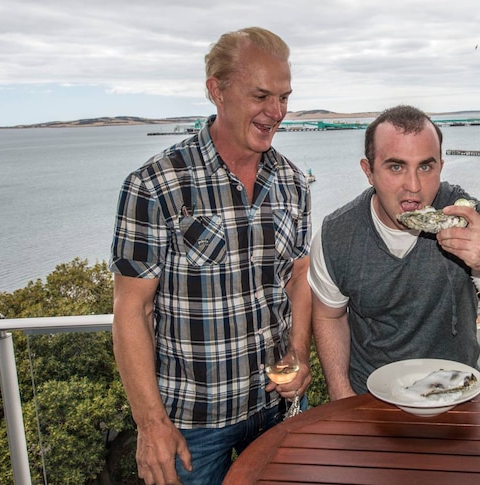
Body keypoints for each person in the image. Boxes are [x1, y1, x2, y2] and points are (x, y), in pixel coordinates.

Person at [110, 27, 312, 485]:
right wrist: (151, 425)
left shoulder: (293, 183)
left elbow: (299, 277)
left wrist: (299, 353)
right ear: (216, 90)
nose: (276, 112)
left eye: (284, 97)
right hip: (194, 425)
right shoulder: (154, 185)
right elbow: (131, 310)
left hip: (277, 409)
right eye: (261, 95)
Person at [309, 105, 480, 400]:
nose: (414, 187)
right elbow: (330, 316)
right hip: (369, 401)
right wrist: (341, 393)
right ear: (368, 171)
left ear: (441, 167)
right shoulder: (337, 234)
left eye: (426, 166)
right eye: (396, 167)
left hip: (455, 399)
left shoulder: (474, 221)